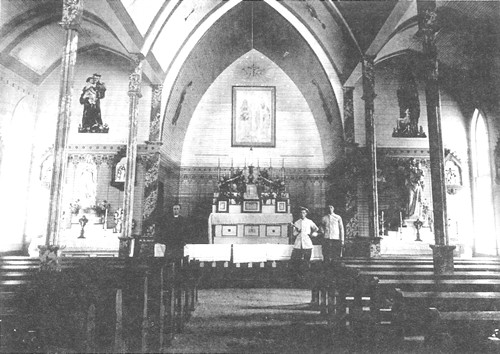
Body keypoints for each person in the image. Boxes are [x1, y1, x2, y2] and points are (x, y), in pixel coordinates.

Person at [291, 207, 319, 281]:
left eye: (304, 213)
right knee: (297, 262)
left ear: (306, 214)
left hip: (307, 244)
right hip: (298, 244)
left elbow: (316, 229)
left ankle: (306, 278)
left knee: (306, 262)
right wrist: (297, 230)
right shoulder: (297, 222)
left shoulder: (309, 221)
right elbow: (294, 234)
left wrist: (313, 234)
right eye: (301, 213)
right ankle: (298, 278)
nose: (302, 214)